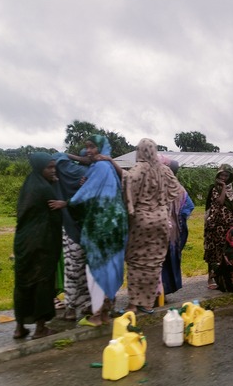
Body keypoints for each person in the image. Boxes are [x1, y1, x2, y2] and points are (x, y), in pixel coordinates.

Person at [69, 135, 128, 326]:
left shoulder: (100, 167)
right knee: (108, 267)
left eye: (92, 146)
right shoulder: (107, 166)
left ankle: (96, 316)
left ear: (102, 148)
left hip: (103, 226)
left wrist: (67, 202)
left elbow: (82, 197)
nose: (89, 151)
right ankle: (103, 313)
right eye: (87, 147)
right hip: (114, 225)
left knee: (95, 269)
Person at [124, 138, 183, 313]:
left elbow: (129, 197)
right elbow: (176, 189)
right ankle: (148, 303)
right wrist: (162, 203)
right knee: (154, 262)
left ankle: (133, 305)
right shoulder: (164, 170)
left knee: (136, 261)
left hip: (142, 221)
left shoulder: (137, 170)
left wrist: (133, 212)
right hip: (161, 220)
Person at [12, 152, 65, 339]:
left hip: (23, 243)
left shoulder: (29, 184)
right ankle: (40, 328)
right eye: (49, 167)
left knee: (23, 284)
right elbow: (54, 217)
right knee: (43, 283)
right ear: (39, 168)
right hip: (41, 244)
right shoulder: (45, 189)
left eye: (54, 167)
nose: (53, 170)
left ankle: (20, 328)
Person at [51, 151, 91, 321]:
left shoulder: (61, 173)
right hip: (89, 231)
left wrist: (69, 156)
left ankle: (71, 308)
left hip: (70, 229)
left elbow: (59, 156)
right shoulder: (89, 174)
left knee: (72, 270)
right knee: (87, 271)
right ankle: (87, 305)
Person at [203, 166, 233, 289]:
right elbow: (219, 202)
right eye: (221, 175)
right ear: (218, 176)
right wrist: (223, 188)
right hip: (216, 225)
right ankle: (211, 278)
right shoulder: (215, 188)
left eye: (226, 176)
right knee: (214, 251)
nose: (224, 178)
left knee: (228, 251)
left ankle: (225, 279)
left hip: (229, 226)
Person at [161, 160, 195, 296]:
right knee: (168, 260)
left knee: (160, 262)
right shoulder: (179, 188)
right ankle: (164, 290)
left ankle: (159, 293)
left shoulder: (158, 184)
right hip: (174, 232)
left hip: (159, 229)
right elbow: (188, 207)